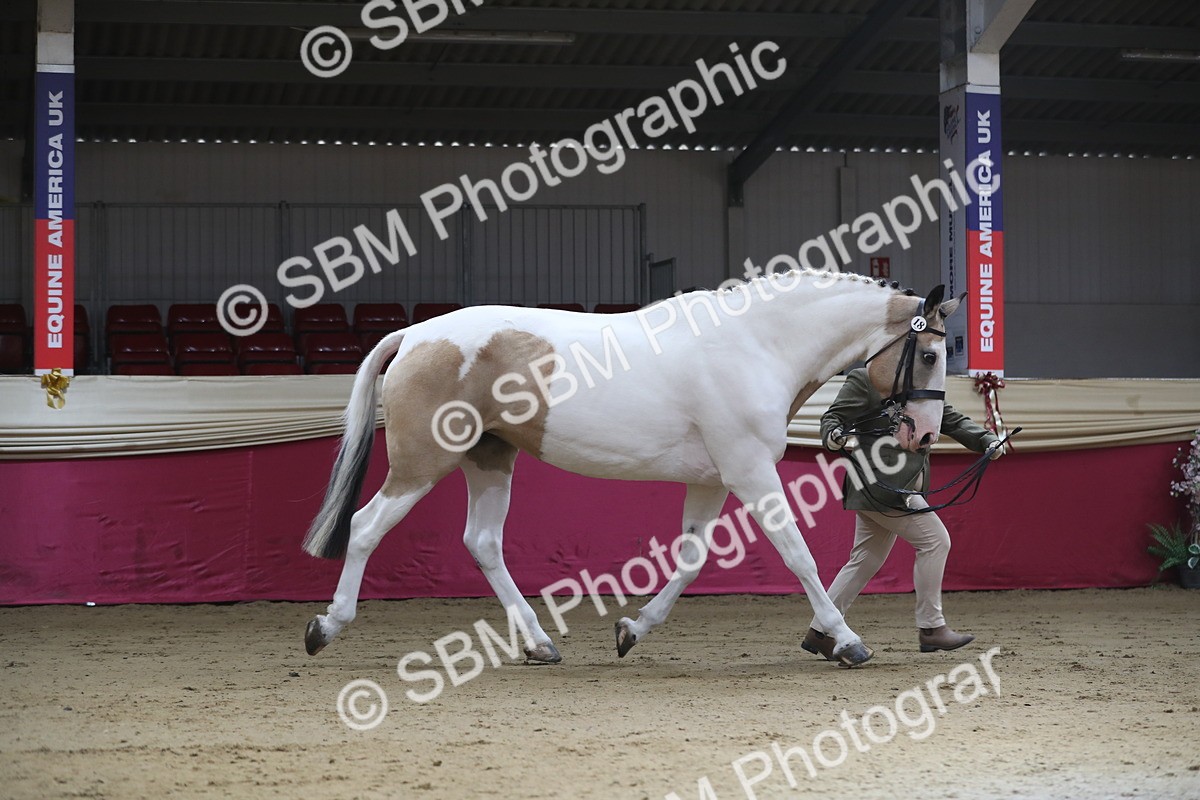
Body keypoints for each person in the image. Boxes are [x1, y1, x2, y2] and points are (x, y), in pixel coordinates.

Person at [802, 367, 1003, 660]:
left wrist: (985, 440)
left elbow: (949, 419)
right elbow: (832, 419)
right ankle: (931, 628)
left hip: (899, 489)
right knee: (935, 541)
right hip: (881, 487)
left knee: (864, 560)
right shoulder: (866, 379)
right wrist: (833, 436)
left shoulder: (924, 385)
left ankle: (820, 631)